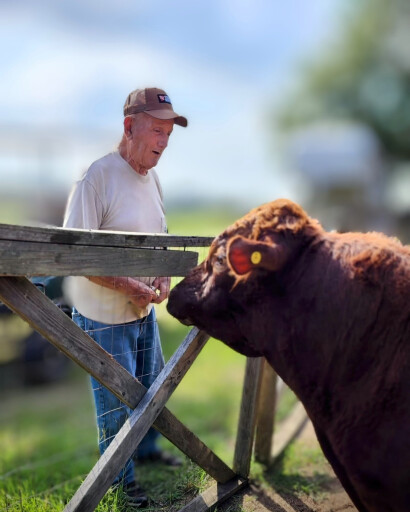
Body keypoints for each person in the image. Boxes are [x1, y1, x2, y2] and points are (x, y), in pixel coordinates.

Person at [63, 87, 187, 508]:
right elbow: (74, 254)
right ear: (129, 126)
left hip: (141, 311)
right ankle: (119, 484)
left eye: (168, 133)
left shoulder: (153, 179)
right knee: (116, 407)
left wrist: (163, 274)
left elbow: (161, 237)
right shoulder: (95, 177)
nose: (163, 142)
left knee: (151, 389)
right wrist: (127, 285)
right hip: (101, 316)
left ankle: (149, 452)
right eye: (157, 130)